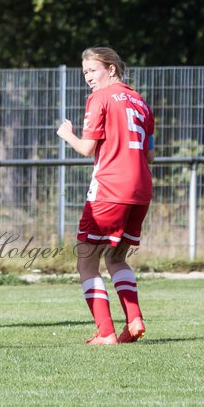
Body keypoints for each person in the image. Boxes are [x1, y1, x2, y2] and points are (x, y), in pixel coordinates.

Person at [56, 46, 155, 345]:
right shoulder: (141, 102)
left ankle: (106, 332)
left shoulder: (100, 98)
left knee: (86, 261)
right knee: (116, 258)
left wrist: (67, 135)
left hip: (110, 189)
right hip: (140, 190)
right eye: (84, 72)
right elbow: (150, 155)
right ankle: (134, 319)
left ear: (111, 69)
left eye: (93, 70)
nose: (88, 77)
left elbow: (87, 149)